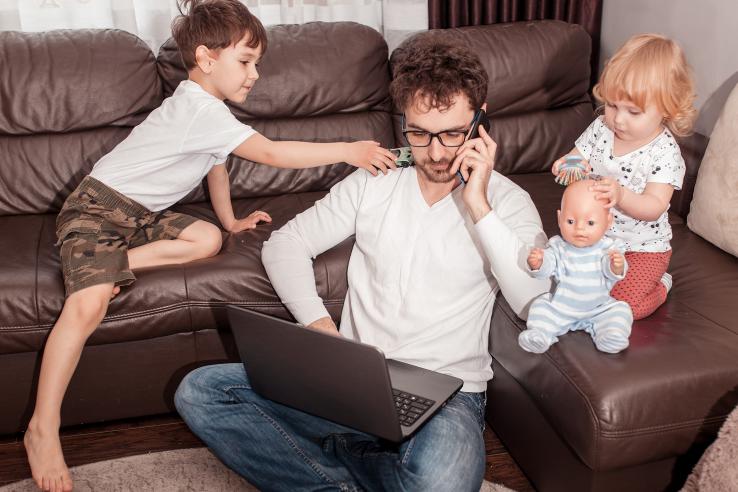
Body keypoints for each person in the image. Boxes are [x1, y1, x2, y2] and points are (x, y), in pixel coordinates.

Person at [24, 1, 396, 490]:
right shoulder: (197, 108)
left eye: (257, 63)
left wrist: (230, 220)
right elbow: (269, 152)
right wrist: (351, 150)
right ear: (205, 58)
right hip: (94, 212)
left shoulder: (209, 112)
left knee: (207, 238)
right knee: (86, 305)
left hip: (139, 219)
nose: (255, 74)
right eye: (246, 61)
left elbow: (216, 166)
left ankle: (113, 265)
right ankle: (41, 428)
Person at [175, 34, 550, 491]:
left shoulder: (508, 203)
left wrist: (478, 205)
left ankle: (334, 465)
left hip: (448, 395)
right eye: (418, 133)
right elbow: (285, 245)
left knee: (442, 483)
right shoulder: (378, 179)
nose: (434, 153)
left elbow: (534, 303)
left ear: (481, 119)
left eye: (453, 133)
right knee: (201, 391)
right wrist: (322, 332)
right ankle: (351, 476)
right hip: (351, 382)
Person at [551, 33, 697, 320]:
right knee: (565, 287)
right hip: (595, 238)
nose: (618, 119)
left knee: (623, 308)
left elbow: (654, 207)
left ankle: (661, 285)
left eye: (633, 111)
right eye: (613, 105)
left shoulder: (665, 154)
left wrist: (621, 195)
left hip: (642, 250)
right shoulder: (602, 128)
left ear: (666, 109)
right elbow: (578, 156)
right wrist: (567, 164)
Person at [518, 179, 633, 354]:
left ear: (608, 222)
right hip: (561, 308)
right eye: (570, 221)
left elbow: (613, 274)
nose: (579, 229)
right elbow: (547, 269)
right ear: (559, 218)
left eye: (590, 223)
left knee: (620, 309)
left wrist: (616, 265)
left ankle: (611, 334)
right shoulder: (557, 246)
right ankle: (539, 335)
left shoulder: (608, 249)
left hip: (599, 308)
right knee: (541, 306)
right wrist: (538, 263)